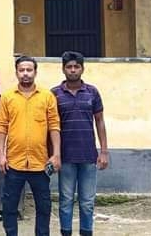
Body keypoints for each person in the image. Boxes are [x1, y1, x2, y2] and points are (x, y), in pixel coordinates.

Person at [0, 56, 61, 236]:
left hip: (40, 163)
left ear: (35, 72)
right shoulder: (8, 97)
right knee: (9, 206)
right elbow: (1, 126)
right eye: (21, 70)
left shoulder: (47, 96)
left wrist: (56, 154)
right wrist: (1, 155)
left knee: (44, 207)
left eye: (29, 70)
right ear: (16, 72)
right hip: (14, 162)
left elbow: (54, 126)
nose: (25, 73)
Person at [51, 51, 109, 236]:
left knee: (87, 202)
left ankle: (86, 232)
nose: (73, 70)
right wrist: (53, 154)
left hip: (88, 156)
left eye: (76, 66)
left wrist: (104, 151)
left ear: (82, 69)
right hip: (65, 157)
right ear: (63, 69)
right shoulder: (54, 94)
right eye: (69, 67)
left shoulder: (92, 92)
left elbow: (100, 121)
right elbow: (51, 126)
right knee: (66, 201)